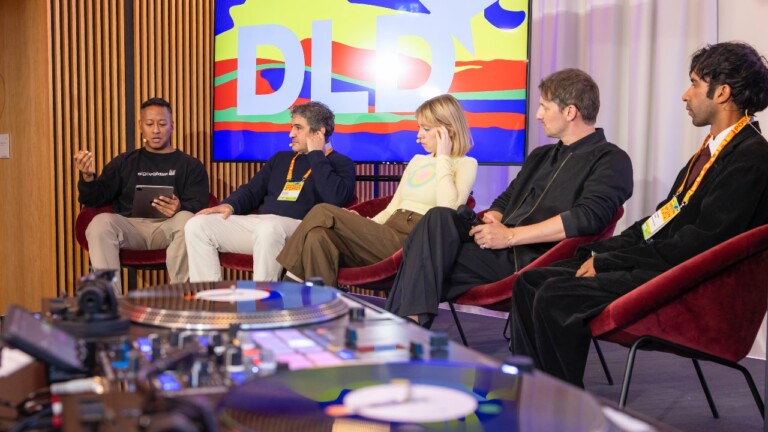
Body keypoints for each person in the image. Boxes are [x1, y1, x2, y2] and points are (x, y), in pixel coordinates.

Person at [508, 42, 768, 388]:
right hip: (665, 265)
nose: (685, 95)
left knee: (557, 295)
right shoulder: (710, 152)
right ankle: (533, 390)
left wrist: (610, 262)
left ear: (722, 93)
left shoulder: (751, 157)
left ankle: (561, 404)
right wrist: (603, 250)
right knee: (529, 282)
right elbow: (659, 222)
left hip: (692, 284)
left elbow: (699, 243)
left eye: (694, 83)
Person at [385, 68, 634, 328]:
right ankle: (407, 329)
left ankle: (404, 330)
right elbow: (506, 199)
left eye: (544, 107)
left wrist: (510, 236)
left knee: (423, 258)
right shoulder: (541, 155)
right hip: (497, 247)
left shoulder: (611, 159)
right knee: (438, 217)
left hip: (530, 258)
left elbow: (587, 218)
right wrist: (491, 221)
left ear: (570, 112)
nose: (538, 115)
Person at [276, 94, 479, 288]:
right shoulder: (418, 160)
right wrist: (364, 226)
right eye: (419, 128)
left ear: (448, 130)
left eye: (426, 129)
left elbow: (448, 210)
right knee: (318, 236)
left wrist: (443, 157)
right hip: (387, 233)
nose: (419, 135)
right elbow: (392, 208)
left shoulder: (466, 163)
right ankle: (322, 308)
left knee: (322, 211)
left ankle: (288, 282)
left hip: (414, 239)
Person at [185, 101, 355, 282]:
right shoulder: (281, 158)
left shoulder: (341, 163)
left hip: (302, 230)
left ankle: (264, 298)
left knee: (268, 228)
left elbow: (336, 199)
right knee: (197, 225)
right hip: (263, 226)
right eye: (292, 127)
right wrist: (229, 205)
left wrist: (316, 155)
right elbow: (252, 190)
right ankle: (208, 295)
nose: (291, 134)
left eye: (298, 128)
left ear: (318, 133)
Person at [75, 97, 210, 292]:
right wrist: (88, 177)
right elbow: (94, 199)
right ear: (140, 126)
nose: (156, 130)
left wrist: (180, 207)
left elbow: (201, 203)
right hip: (131, 228)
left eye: (162, 124)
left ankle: (180, 298)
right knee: (99, 224)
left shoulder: (190, 165)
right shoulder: (124, 162)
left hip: (169, 227)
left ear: (172, 126)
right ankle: (111, 301)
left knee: (188, 221)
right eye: (149, 124)